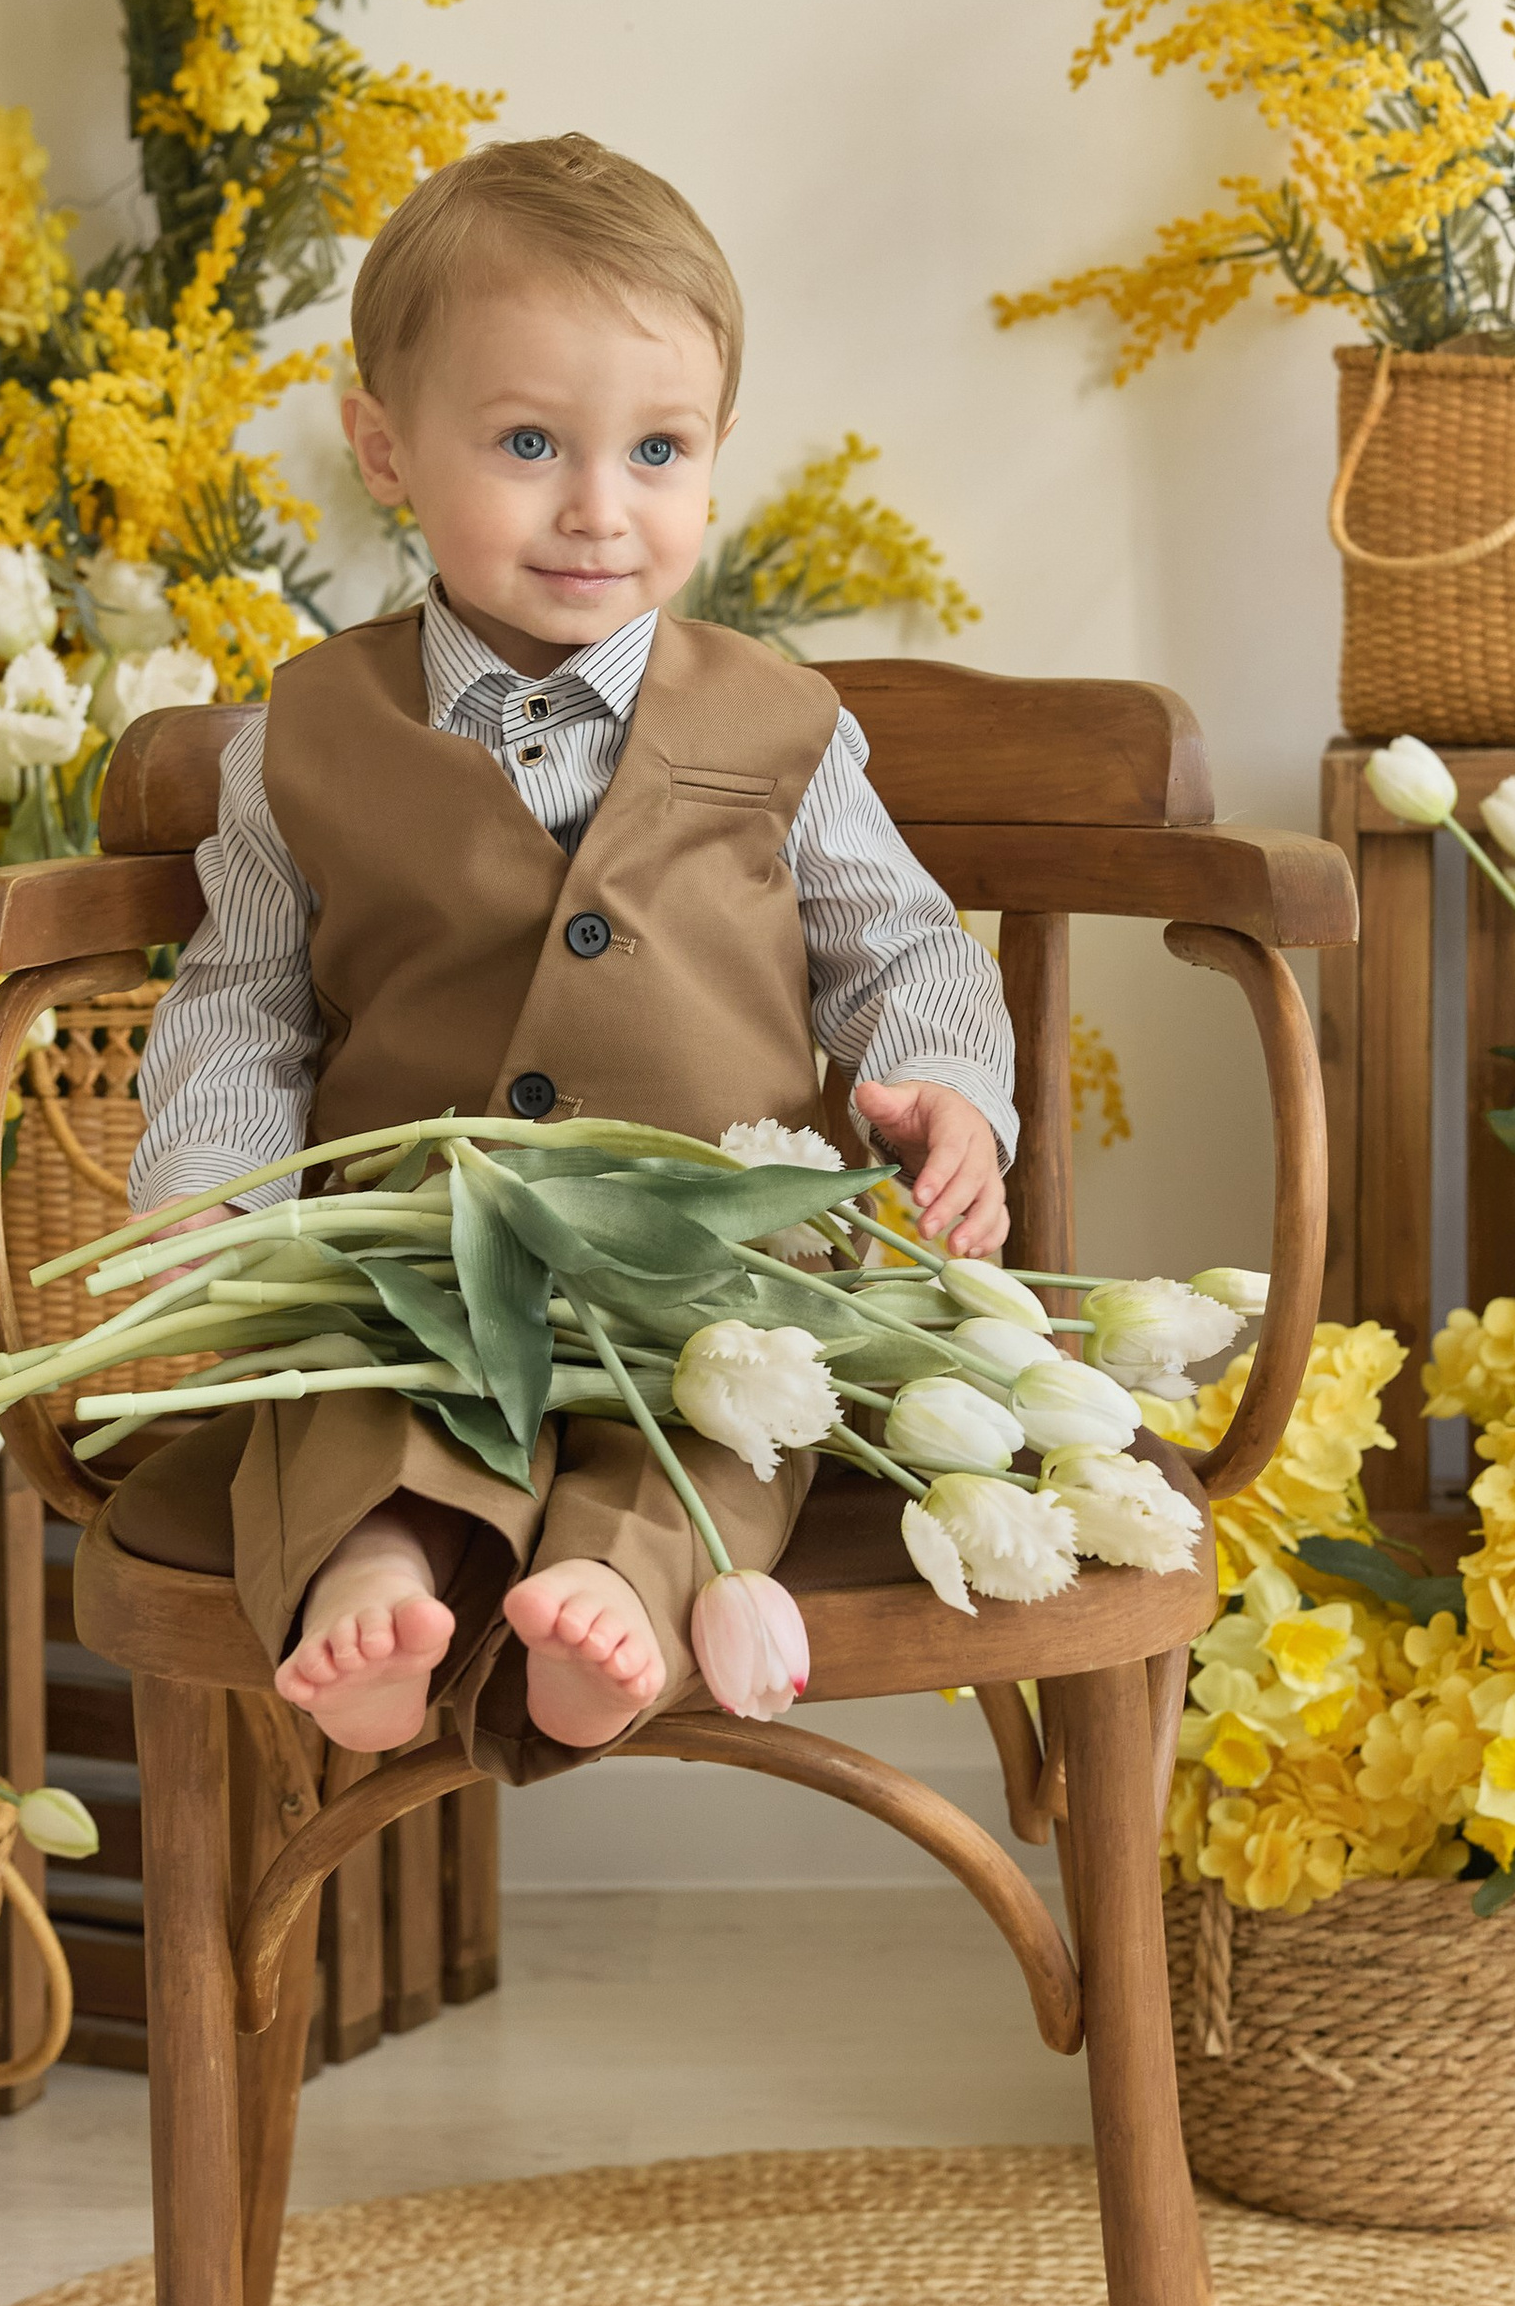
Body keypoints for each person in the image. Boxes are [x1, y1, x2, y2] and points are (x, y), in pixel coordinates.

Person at [108, 132, 1018, 1782]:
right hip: (416, 1257)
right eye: (529, 442)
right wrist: (212, 1205)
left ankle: (614, 1598)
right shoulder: (300, 739)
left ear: (716, 457)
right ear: (385, 447)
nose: (600, 508)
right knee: (350, 1399)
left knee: (729, 1433)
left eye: (658, 449)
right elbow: (241, 1007)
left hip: (711, 1273)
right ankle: (376, 1579)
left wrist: (945, 1089)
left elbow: (902, 949)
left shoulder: (784, 725)